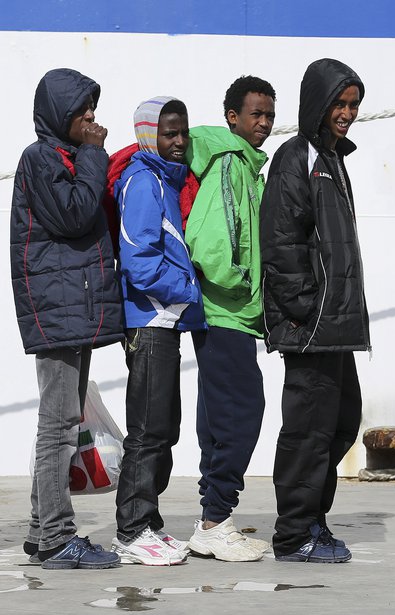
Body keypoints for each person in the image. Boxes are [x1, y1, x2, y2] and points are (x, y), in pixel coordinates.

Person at [9, 68, 122, 569]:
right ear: (60, 115)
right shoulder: (40, 159)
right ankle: (57, 537)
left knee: (64, 421)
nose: (92, 119)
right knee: (57, 425)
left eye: (93, 109)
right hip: (56, 308)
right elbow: (74, 214)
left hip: (70, 307)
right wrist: (96, 155)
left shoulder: (66, 158)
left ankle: (41, 531)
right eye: (82, 112)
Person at [261, 58, 368, 564]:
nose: (346, 113)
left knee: (341, 423)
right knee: (307, 431)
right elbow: (281, 243)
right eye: (339, 104)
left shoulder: (331, 157)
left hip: (336, 326)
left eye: (352, 105)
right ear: (317, 105)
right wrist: (304, 308)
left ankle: (314, 522)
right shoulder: (295, 157)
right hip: (312, 326)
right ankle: (293, 533)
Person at [184, 75, 276, 562]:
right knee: (241, 415)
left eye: (269, 115)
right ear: (232, 117)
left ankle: (214, 518)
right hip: (227, 311)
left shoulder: (245, 165)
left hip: (230, 315)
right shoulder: (228, 162)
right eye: (255, 114)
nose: (264, 123)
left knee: (219, 419)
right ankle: (215, 521)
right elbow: (211, 239)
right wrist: (244, 283)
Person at [110, 97, 206, 566]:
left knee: (164, 428)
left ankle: (148, 524)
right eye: (169, 133)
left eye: (183, 133)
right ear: (150, 135)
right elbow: (138, 262)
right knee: (148, 431)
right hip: (148, 323)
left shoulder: (166, 181)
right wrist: (188, 285)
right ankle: (131, 530)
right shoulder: (143, 182)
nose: (179, 142)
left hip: (165, 323)